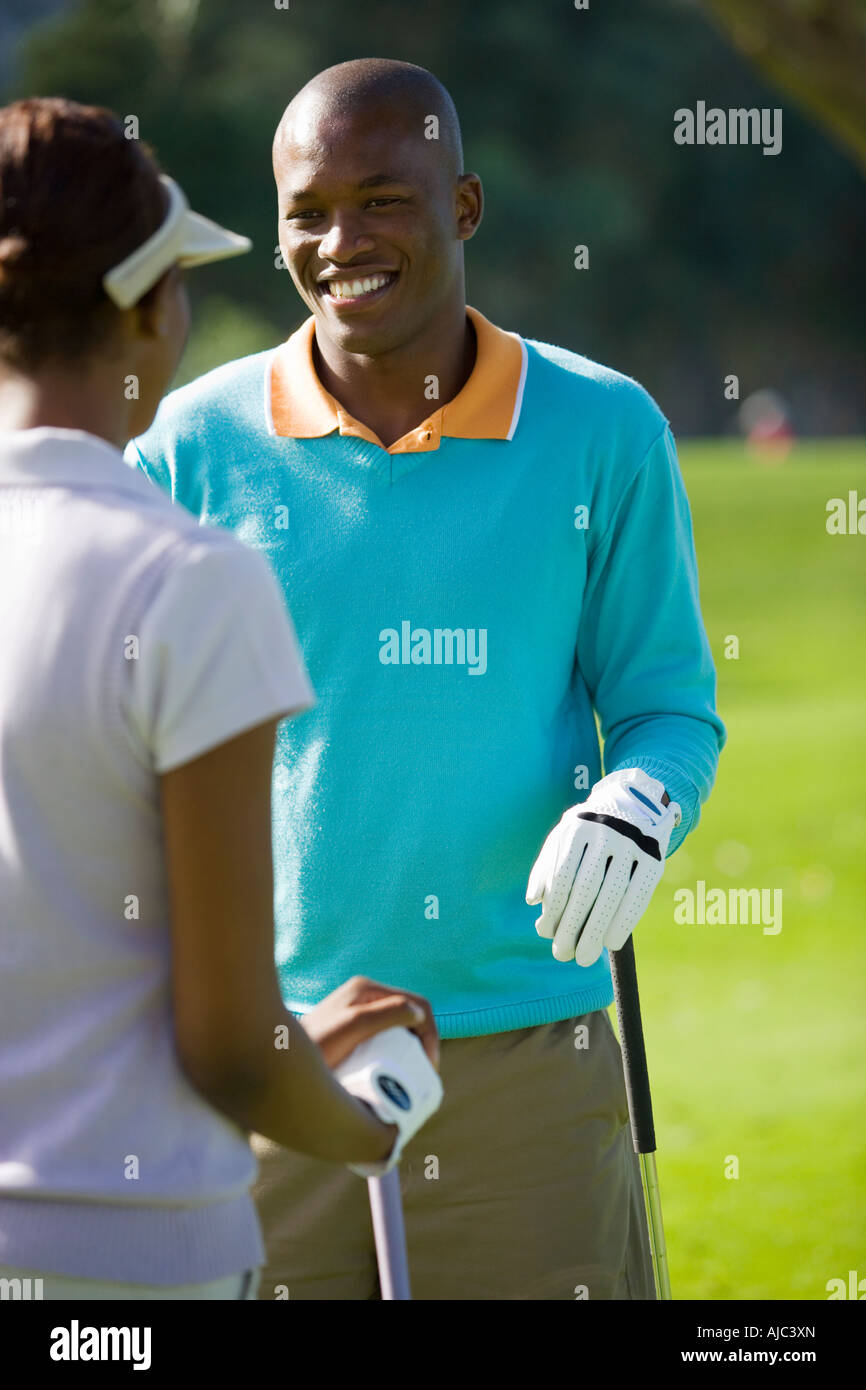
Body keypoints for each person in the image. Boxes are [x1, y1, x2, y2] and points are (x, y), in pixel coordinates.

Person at [128, 58, 727, 1301]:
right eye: (307, 210)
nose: (339, 239)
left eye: (382, 200)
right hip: (266, 1058)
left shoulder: (603, 428)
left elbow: (668, 704)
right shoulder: (189, 444)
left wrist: (638, 805)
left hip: (525, 1049)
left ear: (461, 206)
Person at [0, 96, 440, 1302]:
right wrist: (365, 1128)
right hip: (136, 1261)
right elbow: (231, 1048)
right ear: (147, 305)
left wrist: (289, 1022)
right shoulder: (189, 580)